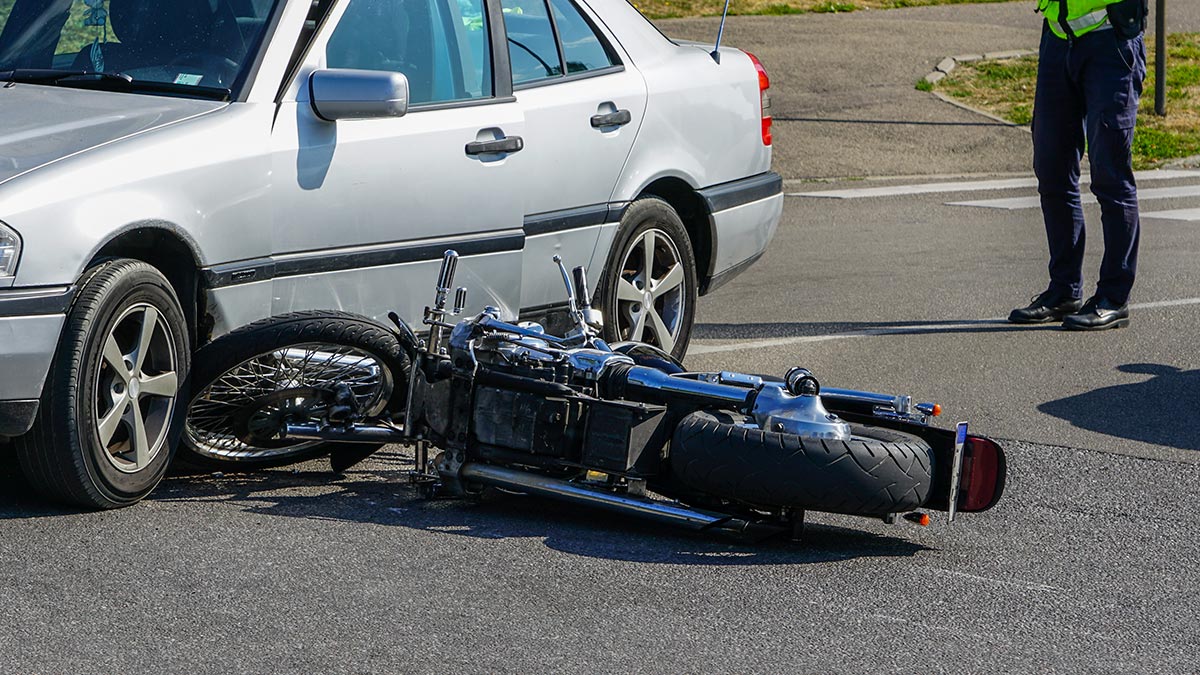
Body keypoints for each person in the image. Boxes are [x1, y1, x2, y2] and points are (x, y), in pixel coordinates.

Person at [1009, 0, 1148, 330]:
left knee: (1110, 176)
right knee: (1052, 170)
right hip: (1059, 37)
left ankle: (1113, 298)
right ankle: (1064, 290)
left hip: (1111, 39)